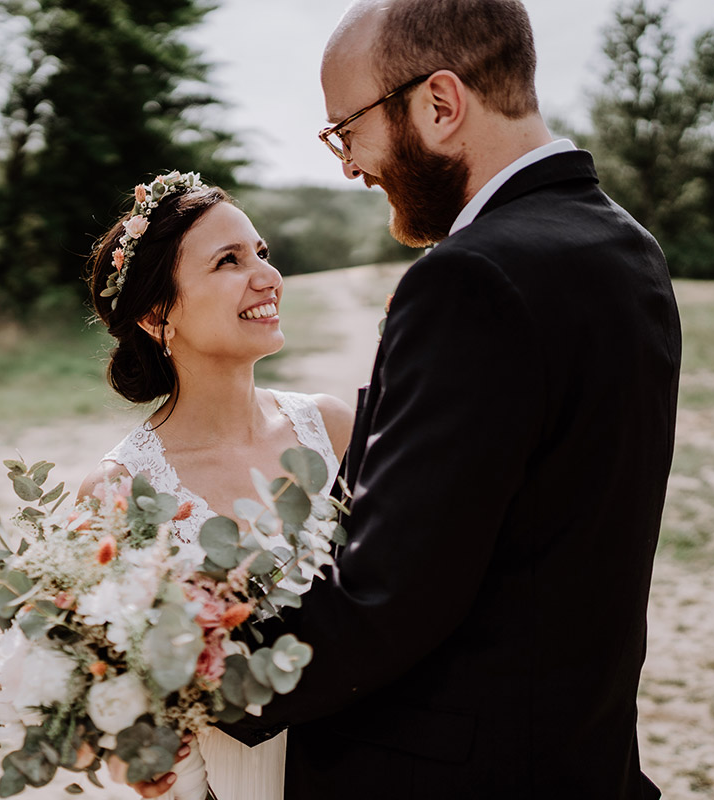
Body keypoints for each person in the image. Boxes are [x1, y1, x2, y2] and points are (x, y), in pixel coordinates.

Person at [137, 0, 683, 797]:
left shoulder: (471, 279)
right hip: (576, 754)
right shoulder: (626, 247)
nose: (349, 166)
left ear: (438, 104)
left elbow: (389, 594)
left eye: (347, 129)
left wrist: (189, 678)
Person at [78, 171, 355, 800]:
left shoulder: (332, 428)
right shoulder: (120, 489)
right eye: (229, 261)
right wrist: (133, 756)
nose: (266, 277)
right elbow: (104, 693)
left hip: (368, 757)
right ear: (156, 313)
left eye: (262, 253)